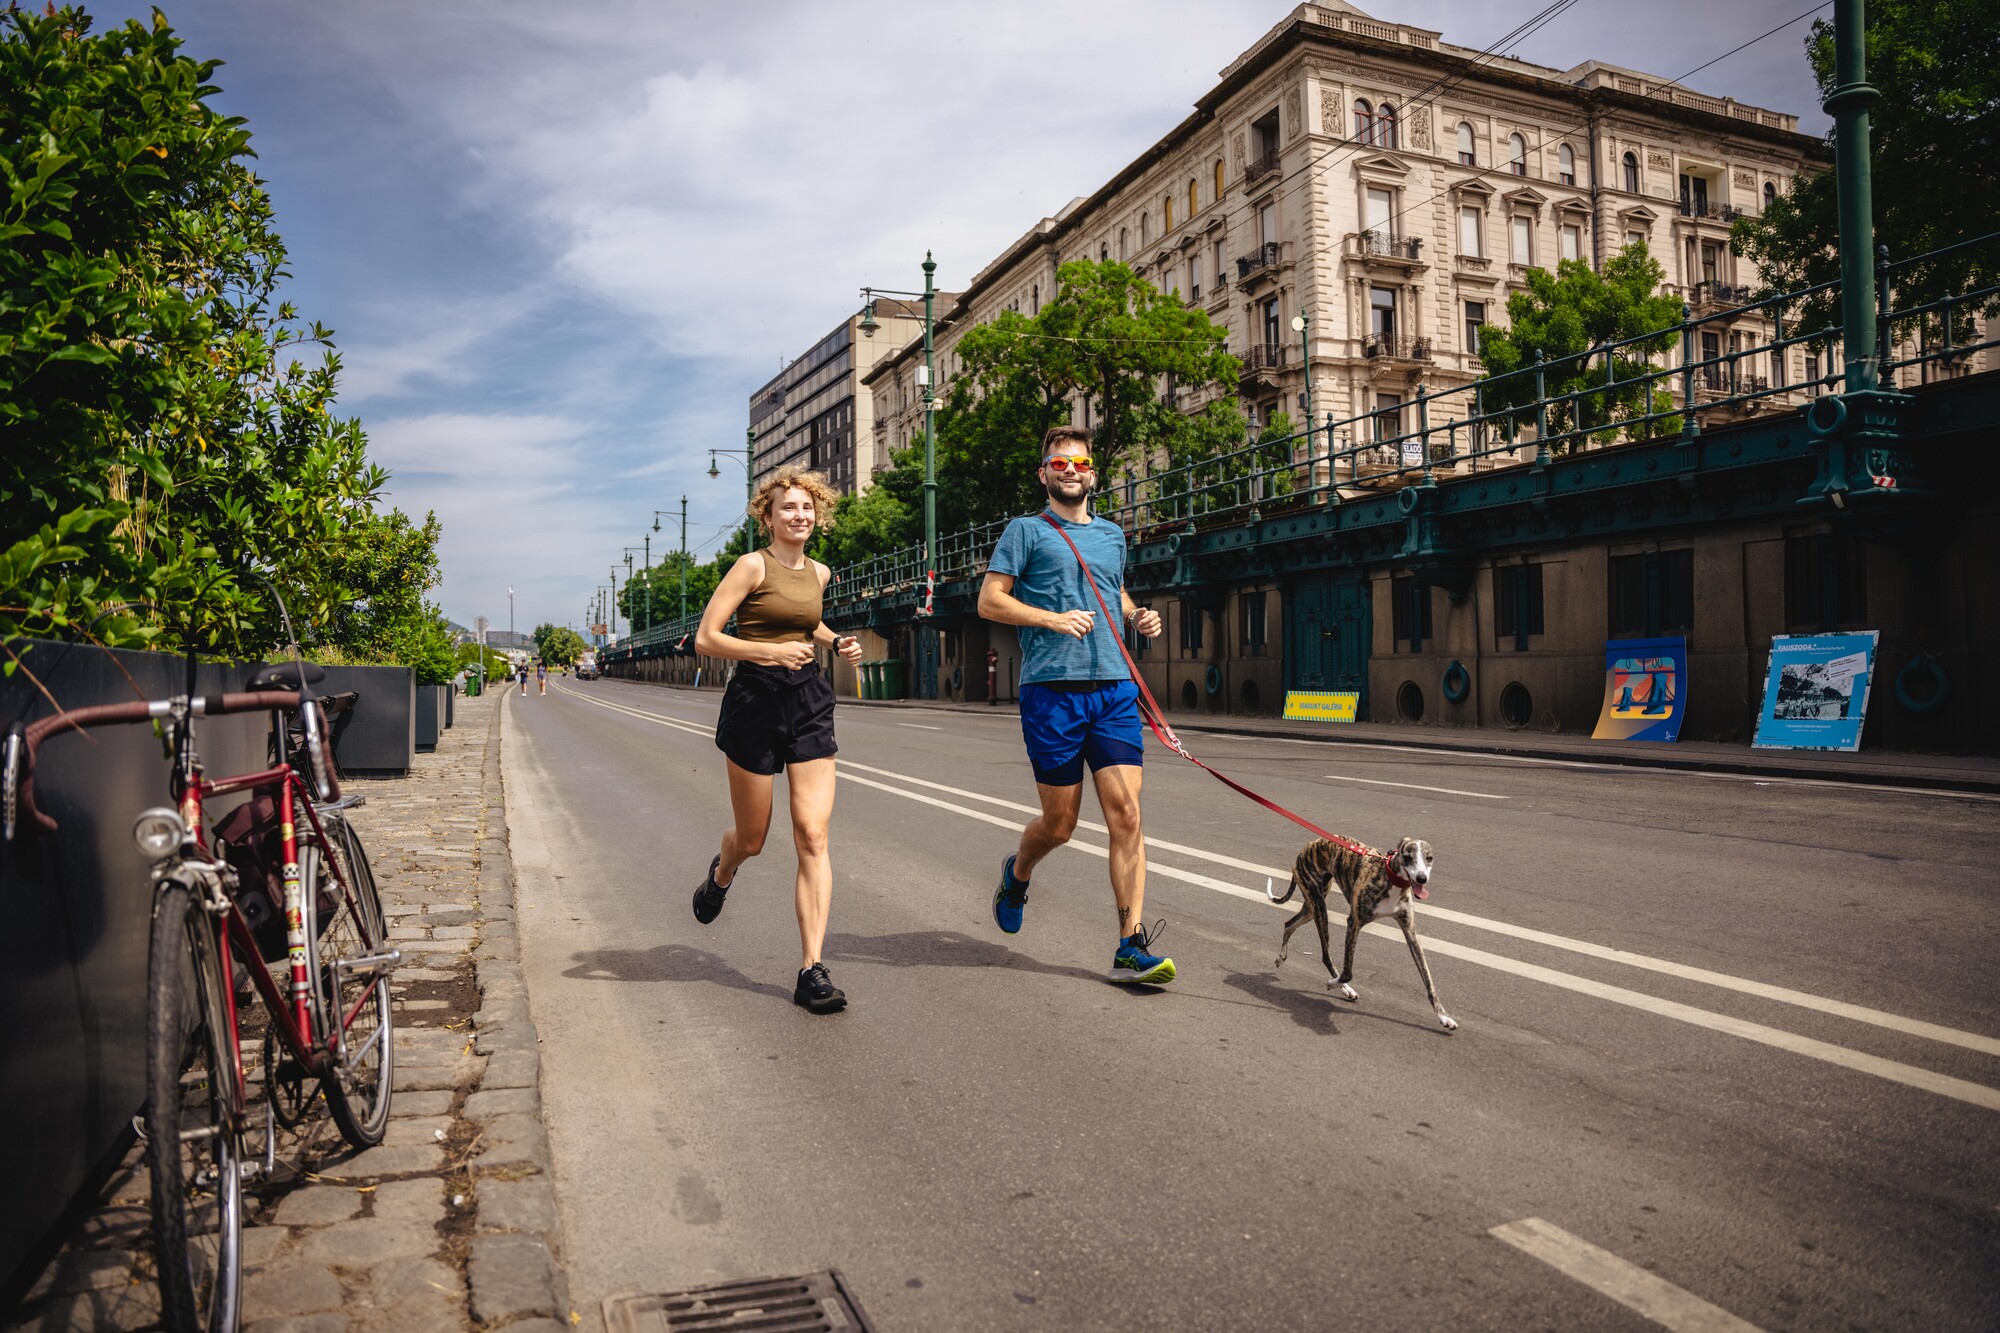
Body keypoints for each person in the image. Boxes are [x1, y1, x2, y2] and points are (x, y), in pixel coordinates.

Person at [977, 426, 1170, 985]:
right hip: (1052, 694)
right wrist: (1051, 619)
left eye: (1079, 463)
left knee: (1127, 816)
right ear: (1044, 474)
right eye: (1059, 464)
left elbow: (1113, 590)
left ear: (1093, 473)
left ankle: (1129, 945)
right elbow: (990, 600)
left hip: (1113, 689)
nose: (1070, 471)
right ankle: (1018, 873)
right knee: (1059, 826)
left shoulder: (1112, 535)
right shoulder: (1026, 531)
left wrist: (1136, 616)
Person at [692, 465, 865, 1013]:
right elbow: (707, 637)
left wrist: (835, 640)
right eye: (788, 508)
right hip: (754, 703)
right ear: (768, 517)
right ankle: (721, 874)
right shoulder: (750, 566)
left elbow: (803, 621)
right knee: (752, 838)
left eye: (807, 508)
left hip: (808, 700)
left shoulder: (820, 573)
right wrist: (767, 652)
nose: (799, 515)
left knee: (813, 835)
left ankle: (811, 969)